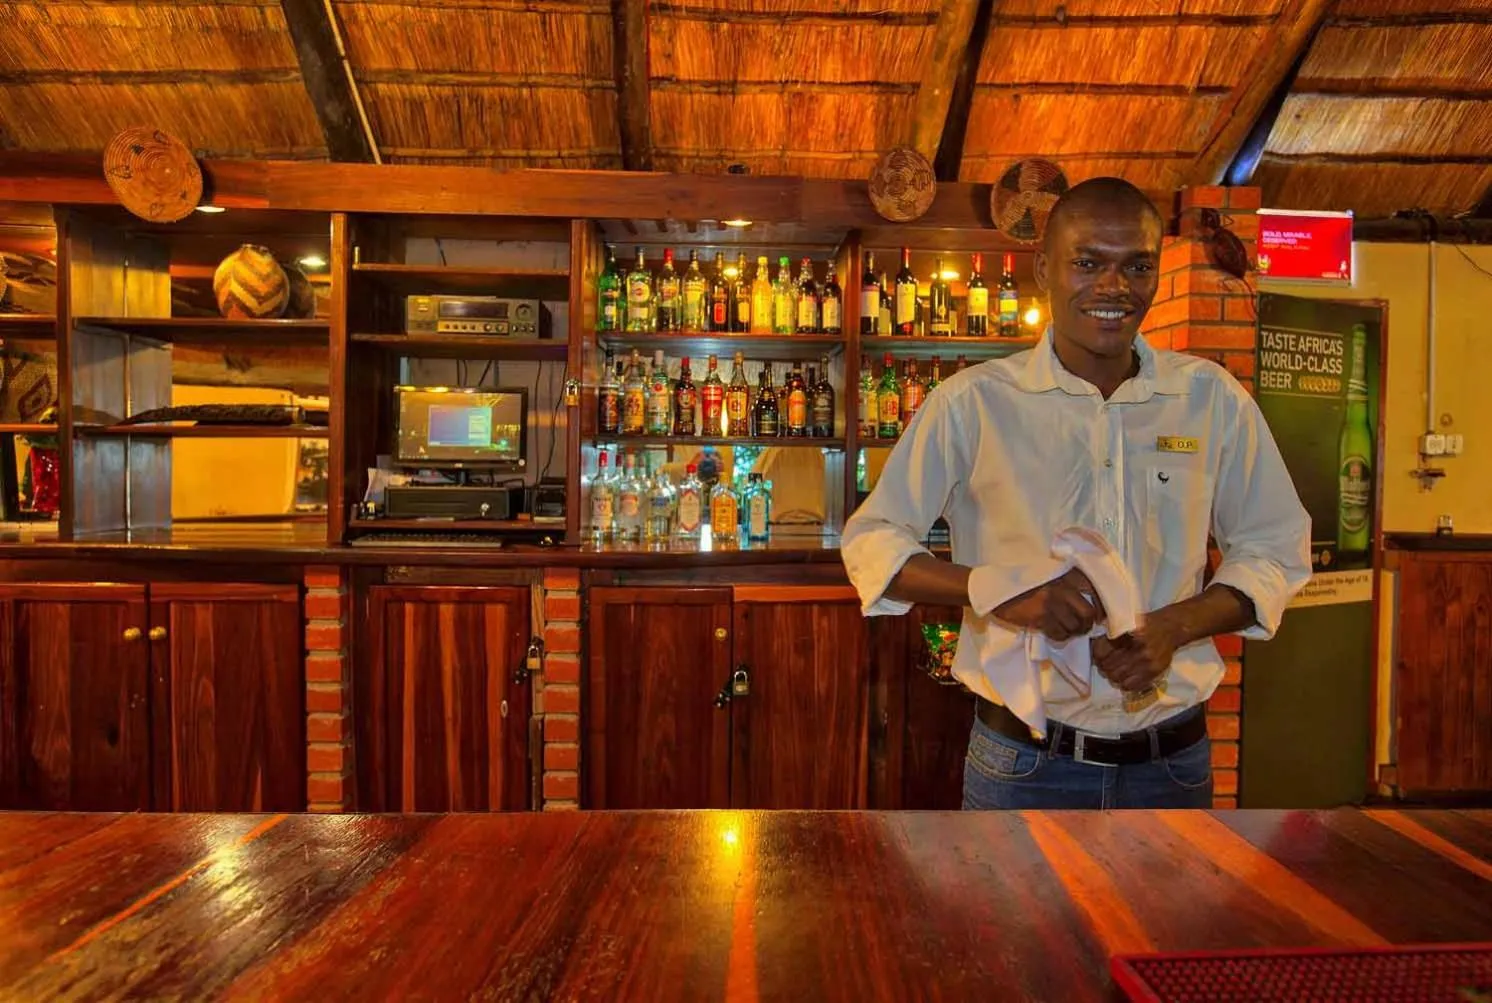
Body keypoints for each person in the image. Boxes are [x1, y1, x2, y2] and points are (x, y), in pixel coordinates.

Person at [841, 177, 1310, 810]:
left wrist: (1177, 625)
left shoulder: (1211, 400)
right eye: (1088, 262)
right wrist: (1001, 592)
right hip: (1023, 764)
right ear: (1044, 269)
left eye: (1137, 266)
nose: (1114, 287)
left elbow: (1276, 548)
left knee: (1167, 917)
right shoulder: (974, 404)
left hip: (1172, 767)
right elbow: (873, 542)